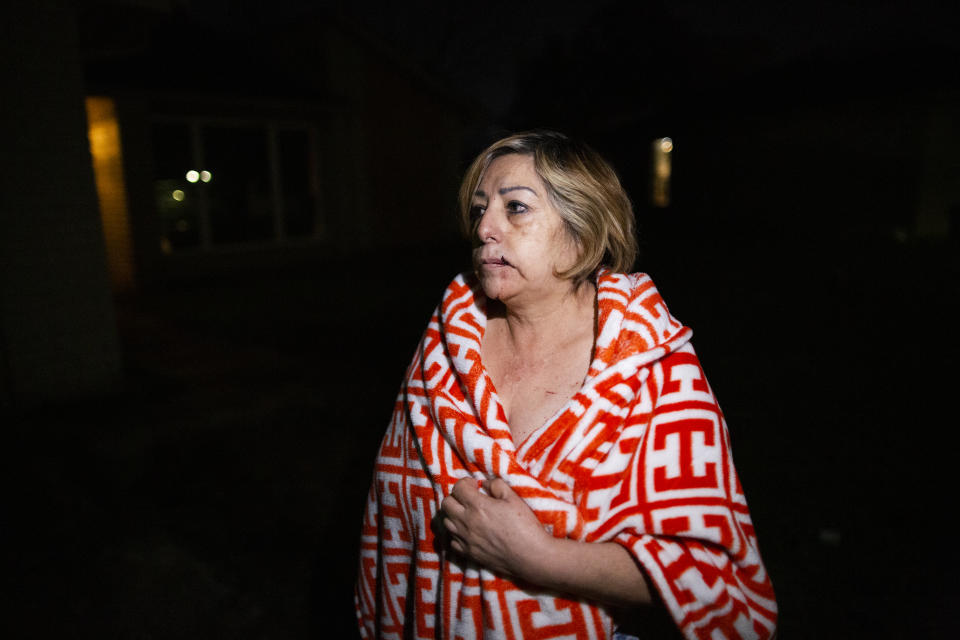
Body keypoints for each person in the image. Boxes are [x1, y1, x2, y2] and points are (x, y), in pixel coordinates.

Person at [355, 131, 777, 639]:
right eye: (479, 209)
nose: (485, 227)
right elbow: (395, 518)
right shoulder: (442, 349)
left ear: (582, 230)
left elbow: (710, 577)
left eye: (516, 208)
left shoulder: (651, 367)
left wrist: (540, 558)